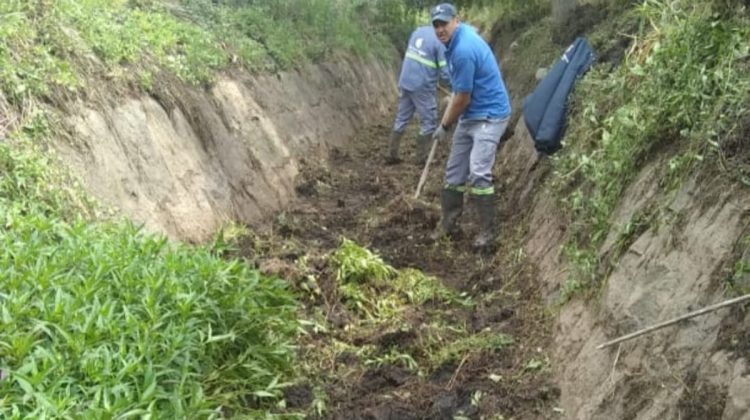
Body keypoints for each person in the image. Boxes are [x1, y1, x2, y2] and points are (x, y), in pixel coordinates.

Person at [429, 3, 512, 251]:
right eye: (436, 25)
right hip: (470, 114)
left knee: (478, 172)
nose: (440, 29)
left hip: (489, 115)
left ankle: (488, 232)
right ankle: (449, 222)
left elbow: (462, 98)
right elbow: (458, 92)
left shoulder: (463, 49)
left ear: (457, 20)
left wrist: (444, 125)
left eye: (444, 23)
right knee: (454, 172)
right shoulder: (453, 43)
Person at [387, 24, 451, 165]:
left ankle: (392, 153)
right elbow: (446, 73)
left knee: (402, 117)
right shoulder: (440, 40)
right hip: (421, 84)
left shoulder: (418, 31)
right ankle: (421, 158)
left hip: (406, 79)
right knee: (429, 120)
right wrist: (456, 88)